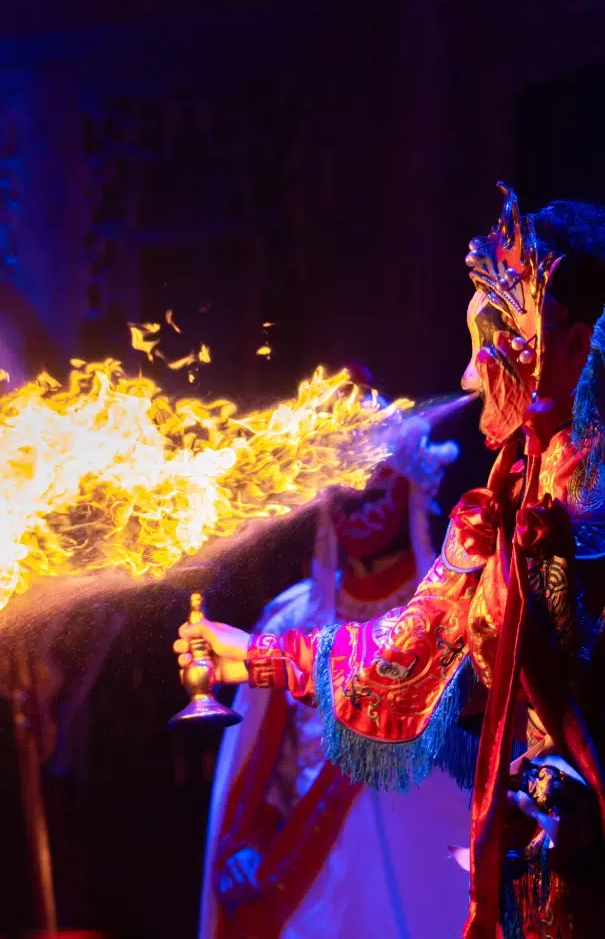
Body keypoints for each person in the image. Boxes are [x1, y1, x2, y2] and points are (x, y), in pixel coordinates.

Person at [175, 184, 605, 938]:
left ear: (573, 349)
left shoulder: (569, 514)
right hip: (542, 871)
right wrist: (256, 658)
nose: (469, 376)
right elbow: (407, 663)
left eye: (494, 342)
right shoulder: (497, 513)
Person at [199, 414, 469, 939]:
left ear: (410, 487)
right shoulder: (291, 619)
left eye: (375, 486)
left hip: (433, 875)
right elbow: (262, 774)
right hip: (314, 884)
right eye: (346, 491)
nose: (361, 502)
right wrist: (248, 842)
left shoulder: (452, 610)